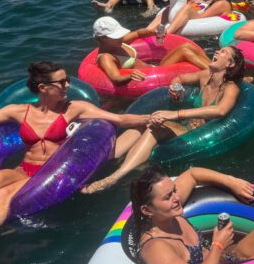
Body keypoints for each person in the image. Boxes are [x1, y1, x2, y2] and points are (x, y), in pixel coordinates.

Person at [0, 61, 152, 230]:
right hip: (23, 169)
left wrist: (152, 117)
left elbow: (120, 120)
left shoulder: (74, 108)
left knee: (4, 195)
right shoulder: (17, 111)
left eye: (67, 79)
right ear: (42, 87)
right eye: (61, 82)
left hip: (49, 174)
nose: (67, 85)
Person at [81, 47, 245, 193]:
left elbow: (221, 110)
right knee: (147, 121)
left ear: (230, 64)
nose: (216, 52)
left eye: (223, 52)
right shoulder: (205, 76)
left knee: (155, 127)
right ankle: (104, 158)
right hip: (185, 125)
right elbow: (179, 78)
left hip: (198, 132)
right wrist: (175, 87)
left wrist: (176, 114)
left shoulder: (231, 88)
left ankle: (114, 177)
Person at [92, 17, 209, 87]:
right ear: (102, 38)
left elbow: (138, 33)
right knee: (185, 51)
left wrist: (154, 32)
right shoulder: (105, 57)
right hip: (152, 76)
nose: (119, 38)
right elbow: (115, 78)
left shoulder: (117, 41)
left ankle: (215, 66)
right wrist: (129, 76)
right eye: (115, 36)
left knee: (187, 46)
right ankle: (216, 72)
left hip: (155, 68)